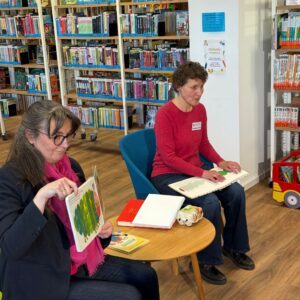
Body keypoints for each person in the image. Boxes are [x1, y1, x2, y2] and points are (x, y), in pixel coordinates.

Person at [0, 100, 160, 300]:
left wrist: (100, 232)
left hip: (79, 262)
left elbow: (84, 229)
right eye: (57, 137)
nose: (66, 144)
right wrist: (40, 199)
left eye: (68, 136)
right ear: (30, 136)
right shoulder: (9, 179)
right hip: (41, 278)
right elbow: (11, 247)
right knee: (128, 296)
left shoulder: (71, 167)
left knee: (146, 276)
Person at [151, 61, 255, 285]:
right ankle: (206, 261)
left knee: (236, 192)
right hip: (167, 175)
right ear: (179, 86)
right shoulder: (165, 115)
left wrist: (220, 162)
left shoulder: (199, 110)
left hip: (194, 170)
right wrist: (202, 172)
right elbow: (168, 158)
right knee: (209, 203)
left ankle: (234, 248)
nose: (199, 93)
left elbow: (203, 144)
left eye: (202, 87)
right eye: (194, 87)